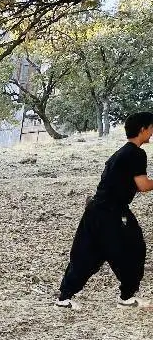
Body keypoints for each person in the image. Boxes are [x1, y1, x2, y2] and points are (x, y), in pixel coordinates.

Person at [56, 111, 153, 309]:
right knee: (133, 248)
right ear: (143, 129)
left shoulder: (121, 152)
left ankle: (64, 297)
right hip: (112, 211)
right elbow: (143, 185)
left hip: (95, 209)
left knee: (88, 252)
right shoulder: (136, 153)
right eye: (151, 129)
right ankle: (126, 297)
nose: (152, 133)